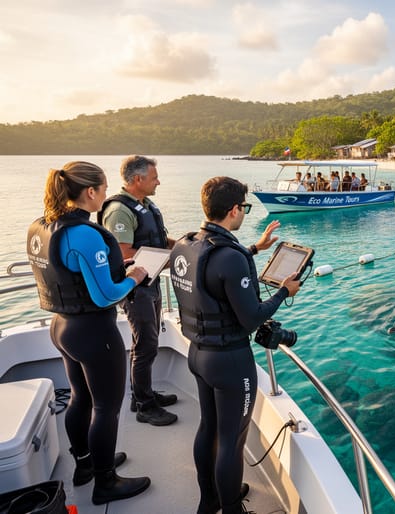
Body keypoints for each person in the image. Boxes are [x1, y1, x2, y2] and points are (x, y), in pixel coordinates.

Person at [169, 177, 301, 514]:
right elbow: (252, 318)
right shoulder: (229, 257)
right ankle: (231, 508)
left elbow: (212, 275)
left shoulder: (187, 244)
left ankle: (209, 499)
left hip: (198, 355)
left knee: (208, 428)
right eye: (244, 206)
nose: (244, 211)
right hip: (230, 363)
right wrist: (285, 291)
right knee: (231, 440)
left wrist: (256, 248)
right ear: (234, 210)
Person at [26, 161, 151, 505]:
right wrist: (135, 277)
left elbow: (73, 271)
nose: (107, 195)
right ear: (91, 192)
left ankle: (85, 465)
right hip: (94, 333)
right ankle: (106, 482)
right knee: (107, 408)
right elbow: (105, 295)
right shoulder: (83, 233)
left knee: (81, 397)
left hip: (62, 328)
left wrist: (115, 268)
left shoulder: (42, 226)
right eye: (105, 188)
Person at [99, 155, 177, 427]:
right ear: (137, 180)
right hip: (136, 288)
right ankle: (145, 406)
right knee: (146, 345)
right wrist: (167, 258)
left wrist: (181, 247)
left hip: (150, 282)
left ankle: (142, 395)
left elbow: (155, 237)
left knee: (147, 342)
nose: (158, 181)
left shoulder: (144, 204)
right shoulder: (120, 211)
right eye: (154, 177)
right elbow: (122, 253)